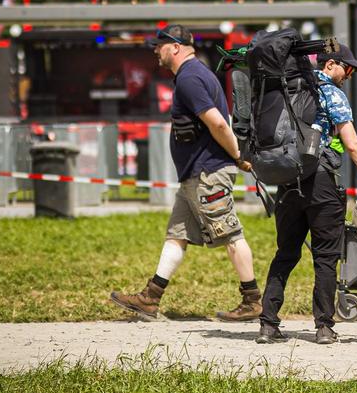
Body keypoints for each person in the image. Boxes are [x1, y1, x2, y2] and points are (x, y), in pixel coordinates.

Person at [110, 25, 260, 322]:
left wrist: (238, 156)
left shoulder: (190, 77)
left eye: (160, 45)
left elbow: (218, 123)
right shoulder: (195, 74)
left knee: (230, 234)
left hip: (207, 174)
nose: (156, 50)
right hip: (195, 174)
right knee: (177, 235)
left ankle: (252, 301)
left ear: (176, 47)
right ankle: (150, 298)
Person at [257, 44, 357, 345]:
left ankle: (267, 324)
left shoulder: (286, 89)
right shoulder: (331, 93)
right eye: (347, 68)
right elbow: (351, 144)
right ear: (330, 64)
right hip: (320, 181)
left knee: (285, 253)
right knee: (326, 256)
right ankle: (324, 327)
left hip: (287, 181)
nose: (349, 74)